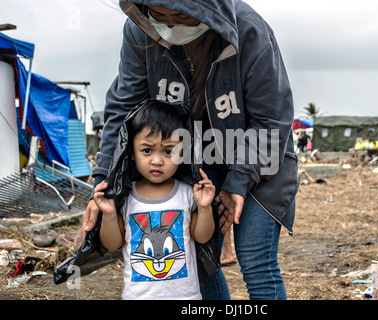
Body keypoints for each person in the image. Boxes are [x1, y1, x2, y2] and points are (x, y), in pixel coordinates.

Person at [83, 0, 299, 300]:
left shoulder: (249, 32)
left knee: (256, 262)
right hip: (195, 162)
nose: (170, 26)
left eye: (182, 16)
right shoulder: (139, 30)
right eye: (160, 16)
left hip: (261, 161)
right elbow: (123, 109)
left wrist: (237, 183)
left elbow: (271, 121)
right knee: (198, 263)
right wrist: (104, 182)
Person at [93, 100, 216, 299]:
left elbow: (202, 237)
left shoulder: (188, 193)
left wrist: (204, 208)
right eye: (147, 150)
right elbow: (113, 244)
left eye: (168, 151)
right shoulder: (125, 196)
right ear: (131, 151)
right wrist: (108, 214)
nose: (157, 161)